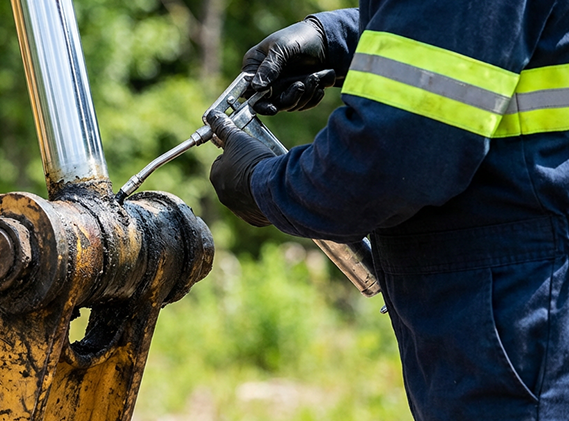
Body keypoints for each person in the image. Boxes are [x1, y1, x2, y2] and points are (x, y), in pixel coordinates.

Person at [206, 2, 569, 420]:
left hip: (520, 312)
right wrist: (337, 38)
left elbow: (394, 158)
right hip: (515, 301)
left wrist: (264, 184)